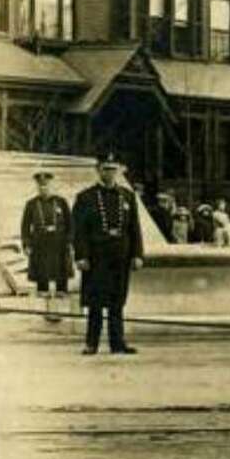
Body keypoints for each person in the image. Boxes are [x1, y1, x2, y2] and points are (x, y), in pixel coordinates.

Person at [72, 152, 143, 355]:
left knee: (117, 301)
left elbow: (134, 228)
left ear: (118, 171)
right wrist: (81, 256)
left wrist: (137, 254)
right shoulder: (86, 197)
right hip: (97, 257)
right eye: (106, 169)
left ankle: (117, 343)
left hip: (120, 256)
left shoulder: (128, 196)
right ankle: (91, 343)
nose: (110, 174)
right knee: (95, 302)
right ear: (98, 170)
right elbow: (79, 231)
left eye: (113, 169)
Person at [21, 171, 74, 308]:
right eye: (40, 186)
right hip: (40, 245)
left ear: (52, 186)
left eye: (46, 186)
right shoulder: (31, 204)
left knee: (61, 277)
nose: (43, 189)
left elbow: (70, 224)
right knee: (42, 279)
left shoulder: (61, 202)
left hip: (59, 245)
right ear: (37, 187)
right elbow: (25, 226)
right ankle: (43, 303)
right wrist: (26, 244)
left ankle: (61, 300)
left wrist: (69, 242)